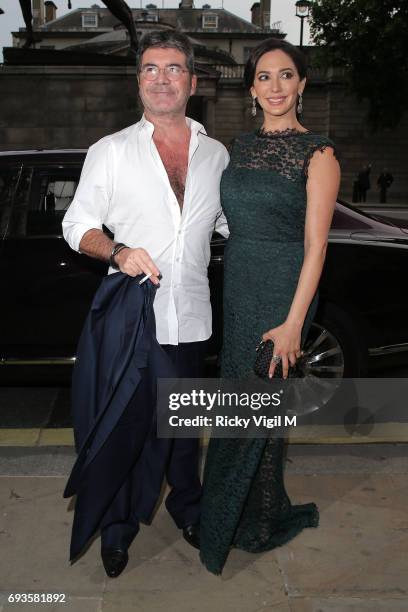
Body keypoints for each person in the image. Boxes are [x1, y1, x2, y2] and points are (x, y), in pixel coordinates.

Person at [62, 30, 229, 577]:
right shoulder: (110, 151)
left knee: (182, 425)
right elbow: (77, 224)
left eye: (174, 68)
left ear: (193, 82)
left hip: (194, 315)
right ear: (138, 81)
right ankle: (117, 529)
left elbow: (227, 225)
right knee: (127, 429)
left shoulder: (217, 155)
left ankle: (188, 507)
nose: (162, 78)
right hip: (135, 318)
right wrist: (118, 251)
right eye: (151, 68)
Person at [199, 38, 340, 575]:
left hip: (284, 291)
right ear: (251, 89)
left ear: (302, 85)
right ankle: (254, 512)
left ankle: (237, 522)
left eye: (286, 76)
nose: (275, 87)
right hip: (239, 286)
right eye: (264, 77)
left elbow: (317, 246)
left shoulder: (319, 152)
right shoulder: (237, 147)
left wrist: (294, 324)